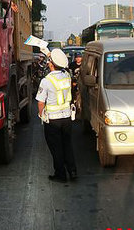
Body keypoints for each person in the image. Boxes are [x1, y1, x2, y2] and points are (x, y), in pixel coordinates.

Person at [36, 48, 77, 183]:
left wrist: (42, 116)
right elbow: (60, 65)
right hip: (67, 118)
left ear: (50, 64)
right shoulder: (67, 76)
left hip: (53, 120)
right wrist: (49, 54)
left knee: (56, 148)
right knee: (67, 144)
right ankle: (72, 171)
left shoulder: (46, 81)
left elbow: (41, 102)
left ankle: (60, 174)